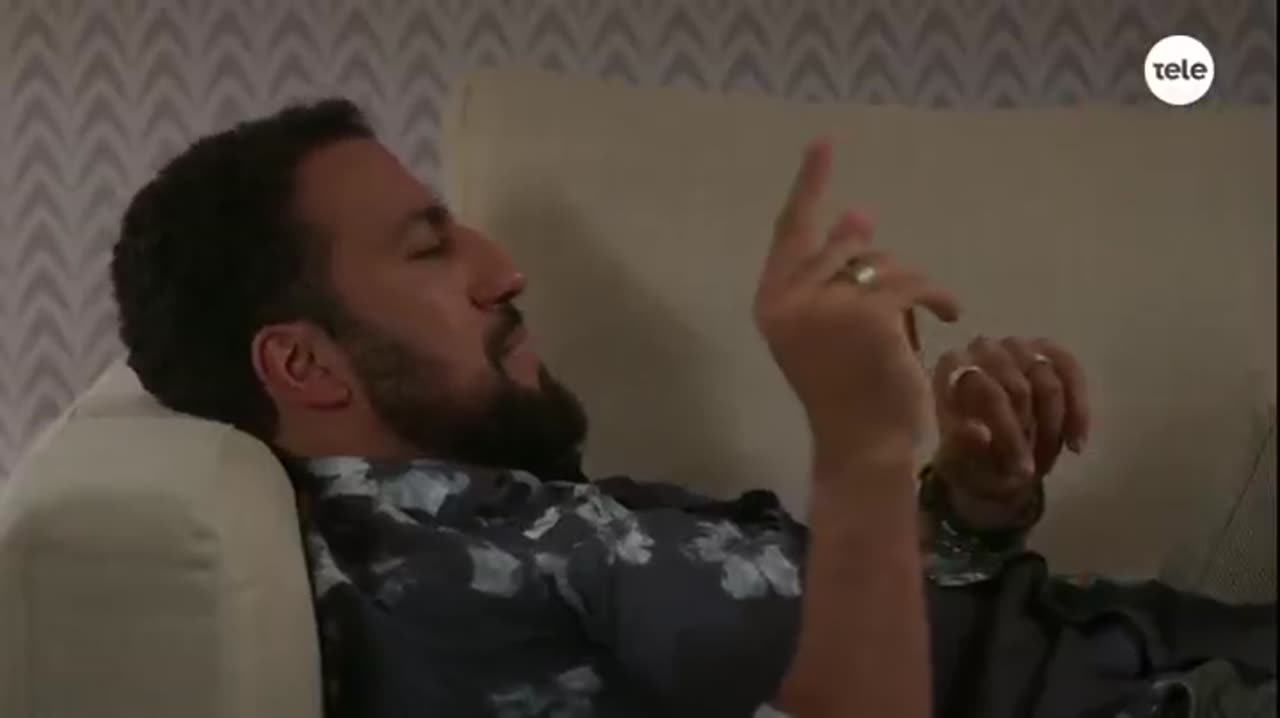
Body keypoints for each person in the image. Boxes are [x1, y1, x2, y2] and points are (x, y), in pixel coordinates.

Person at [109, 99, 1274, 718]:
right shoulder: (420, 595)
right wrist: (860, 443)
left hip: (1169, 637)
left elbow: (861, 625)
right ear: (304, 365)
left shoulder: (495, 500)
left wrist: (965, 501)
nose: (502, 267)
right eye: (428, 249)